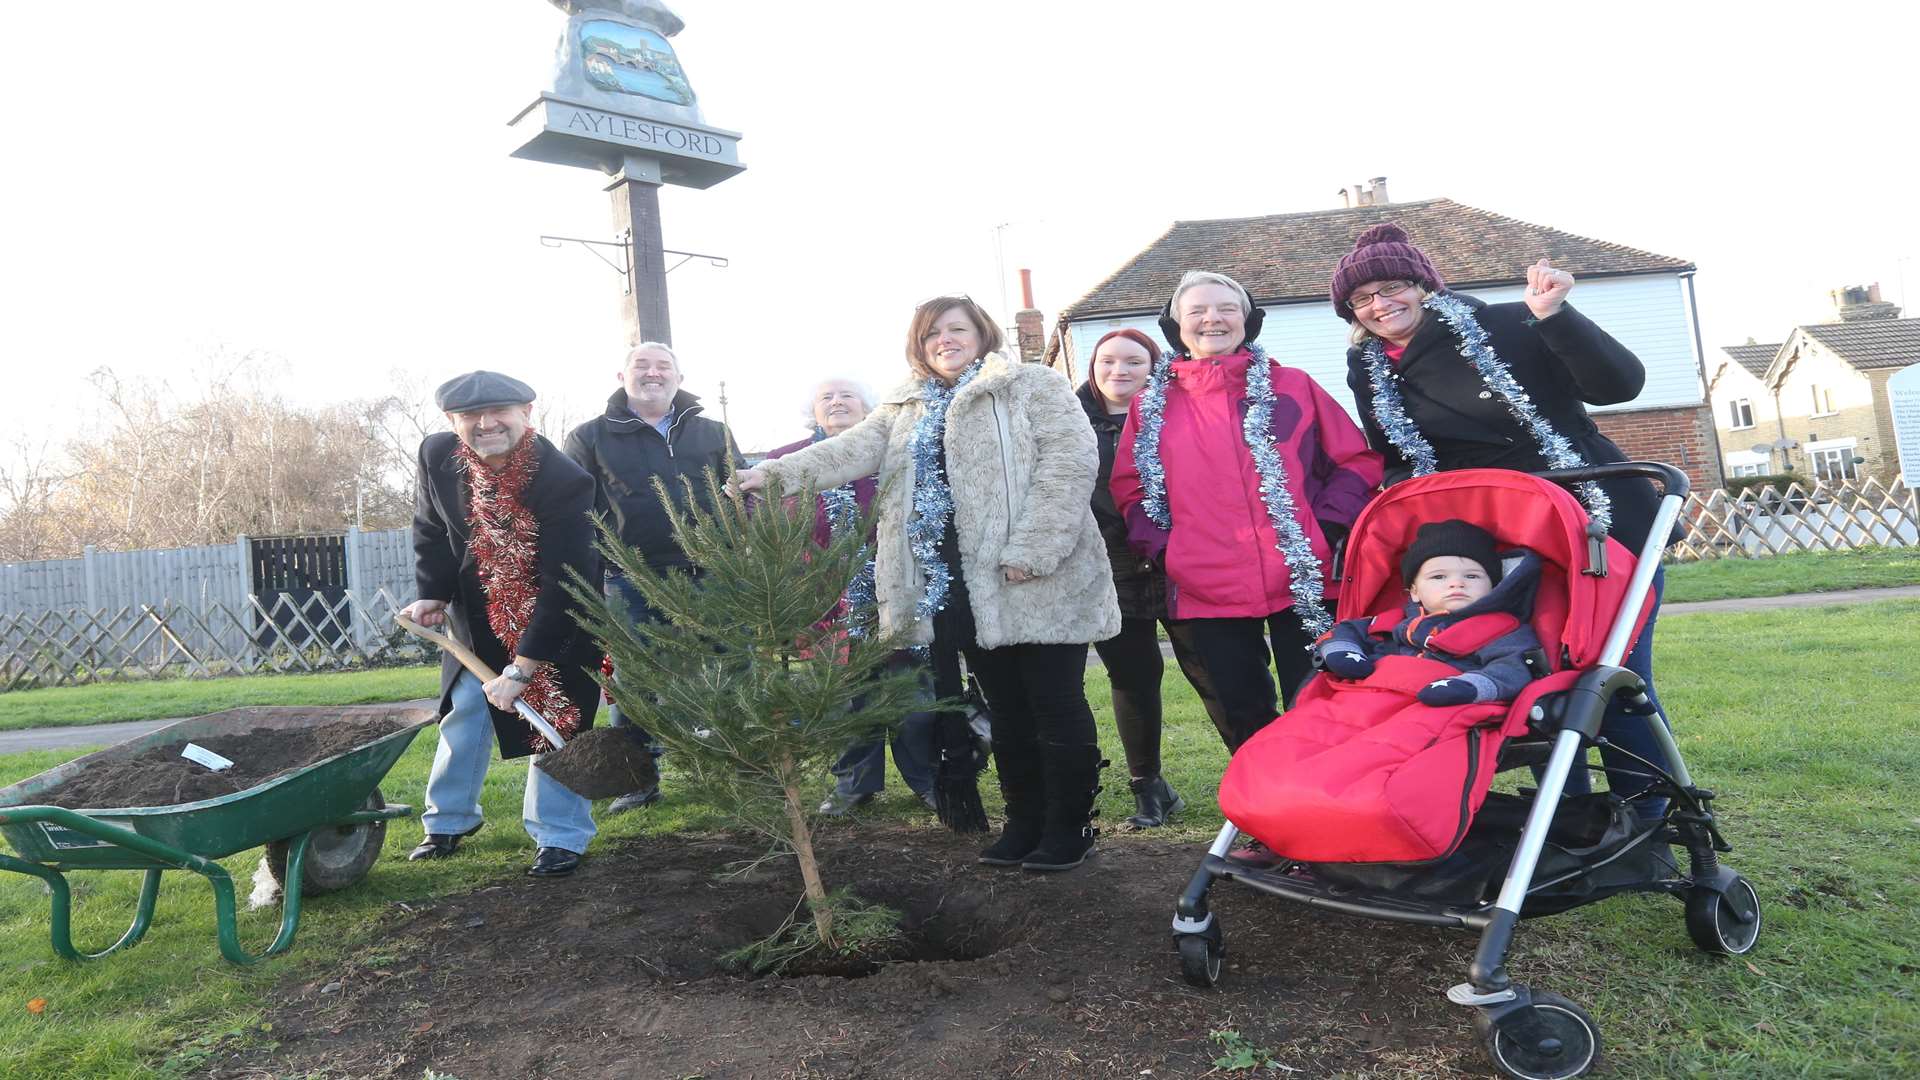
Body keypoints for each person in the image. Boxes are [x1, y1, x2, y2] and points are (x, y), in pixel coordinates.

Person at [735, 296, 1120, 872]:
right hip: (963, 585)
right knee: (1008, 710)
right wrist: (772, 473)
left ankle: (1070, 827)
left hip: (1038, 577)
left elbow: (1068, 464)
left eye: (956, 329)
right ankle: (1024, 823)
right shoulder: (905, 407)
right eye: (932, 332)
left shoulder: (1031, 385)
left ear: (982, 334)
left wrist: (1034, 551)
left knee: (1054, 702)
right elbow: (847, 450)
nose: (945, 339)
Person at [1331, 223, 1676, 817]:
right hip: (1500, 534)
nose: (1380, 306)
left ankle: (1651, 816)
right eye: (1362, 300)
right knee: (1535, 671)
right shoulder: (1368, 364)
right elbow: (1397, 457)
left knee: (1611, 673)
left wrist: (1554, 315)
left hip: (1594, 522)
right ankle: (1566, 817)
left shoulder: (1503, 323)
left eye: (1391, 288)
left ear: (1422, 285)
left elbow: (1620, 384)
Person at [1110, 271, 1383, 752]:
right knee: (1242, 712)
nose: (1212, 319)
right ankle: (1270, 818)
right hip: (1205, 584)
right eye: (1196, 311)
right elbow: (1132, 489)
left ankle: (1327, 815)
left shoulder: (1294, 385)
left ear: (1247, 320)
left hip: (1305, 575)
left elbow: (1355, 463)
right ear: (1176, 325)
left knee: (1319, 702)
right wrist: (1171, 552)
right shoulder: (1151, 406)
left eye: (1226, 308)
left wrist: (1321, 528)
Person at [402, 370, 600, 878]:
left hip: (558, 618)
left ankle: (560, 836)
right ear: (452, 421)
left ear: (527, 414)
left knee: (555, 721)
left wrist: (524, 668)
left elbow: (567, 581)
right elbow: (432, 529)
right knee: (465, 712)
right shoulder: (437, 456)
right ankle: (448, 822)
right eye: (471, 415)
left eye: (500, 412)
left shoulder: (563, 481)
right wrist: (433, 593)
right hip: (478, 612)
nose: (486, 423)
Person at [563, 341, 743, 813]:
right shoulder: (591, 437)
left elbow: (741, 493)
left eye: (664, 366)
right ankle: (636, 781)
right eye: (641, 365)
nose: (653, 373)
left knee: (731, 669)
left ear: (679, 379)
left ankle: (747, 768)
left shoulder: (712, 432)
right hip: (630, 578)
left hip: (712, 571)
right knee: (635, 681)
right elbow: (575, 511)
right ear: (621, 377)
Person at [763, 376, 937, 815]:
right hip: (824, 600)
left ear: (869, 409)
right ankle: (854, 785)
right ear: (813, 411)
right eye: (826, 396)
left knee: (910, 693)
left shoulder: (893, 453)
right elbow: (765, 529)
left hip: (894, 591)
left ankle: (928, 779)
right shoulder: (786, 461)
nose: (837, 402)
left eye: (848, 395)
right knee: (842, 696)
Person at [1077, 328, 1229, 827]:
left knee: (1212, 672)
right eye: (1108, 362)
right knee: (1133, 677)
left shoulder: (1179, 413)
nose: (1119, 371)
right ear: (1093, 368)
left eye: (1133, 362)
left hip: (1180, 560)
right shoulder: (1069, 423)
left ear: (1153, 367)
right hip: (1110, 568)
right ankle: (1149, 787)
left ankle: (1259, 773)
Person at [1315, 519, 1544, 706]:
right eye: (1439, 577)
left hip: (1439, 707)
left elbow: (1513, 668)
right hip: (1365, 700)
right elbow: (1346, 630)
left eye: (1472, 576)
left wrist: (1470, 686)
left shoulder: (1503, 631)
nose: (1456, 583)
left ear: (1494, 586)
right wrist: (1342, 652)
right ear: (1414, 591)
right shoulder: (1396, 622)